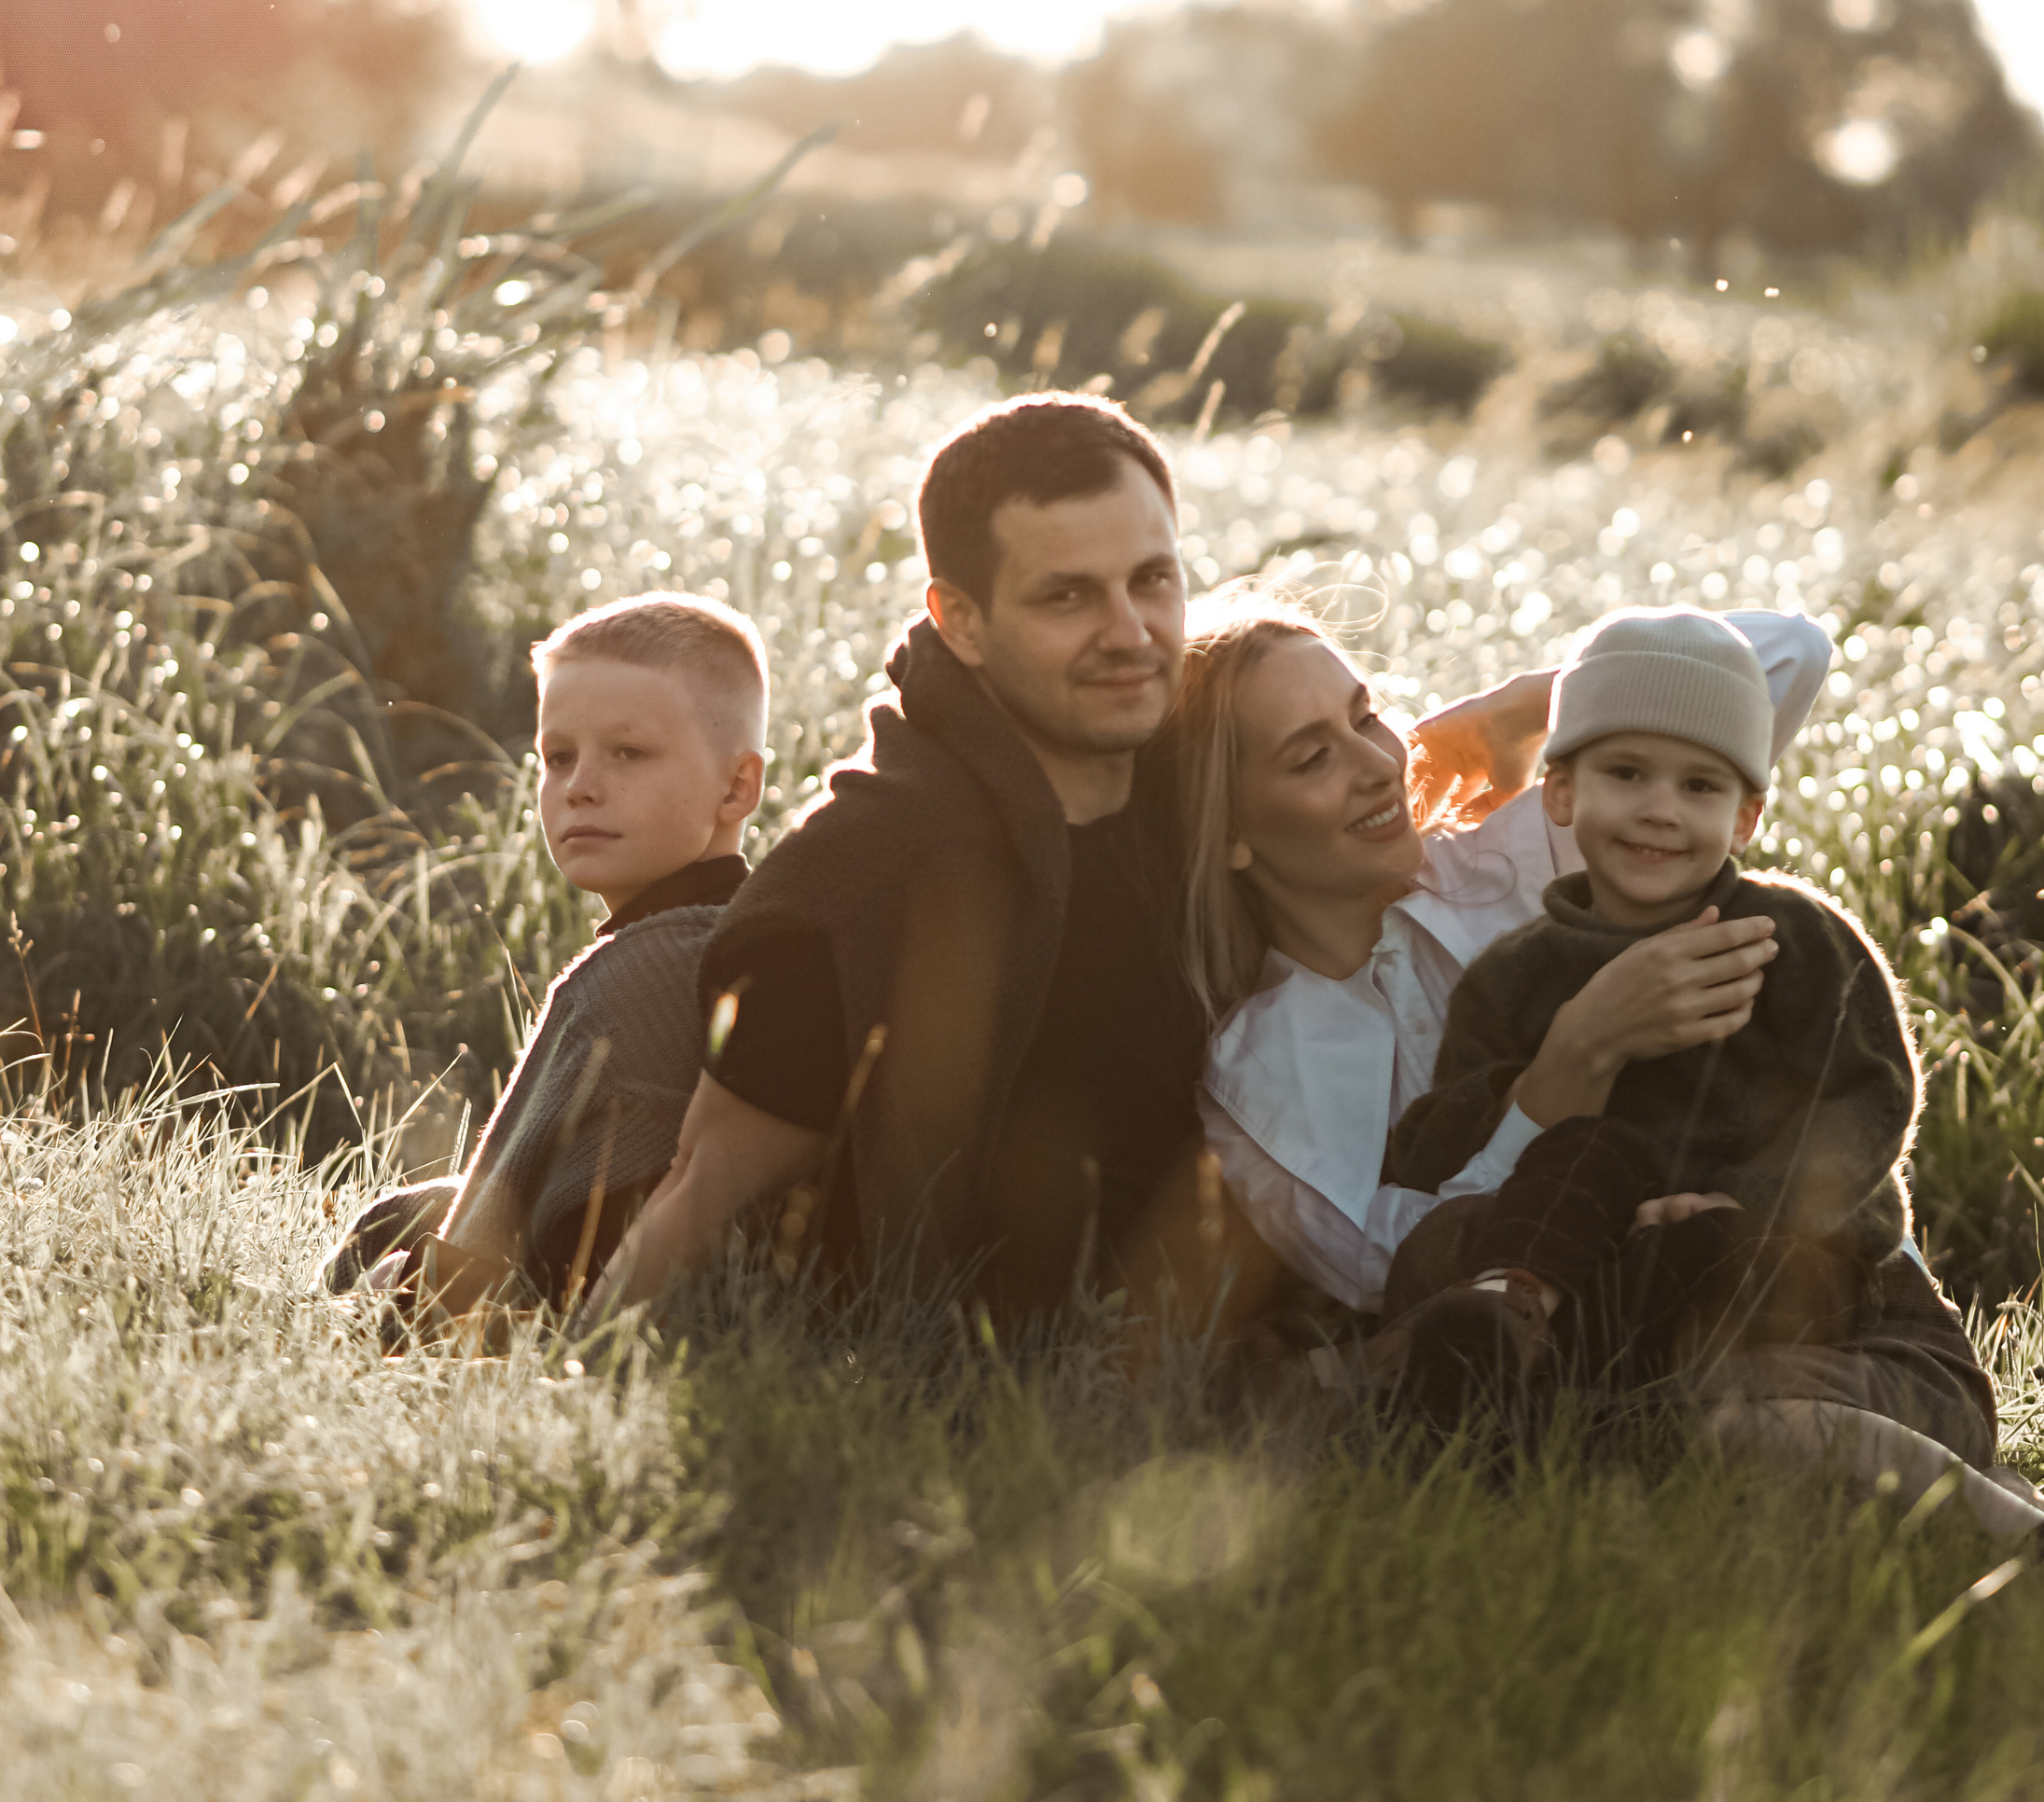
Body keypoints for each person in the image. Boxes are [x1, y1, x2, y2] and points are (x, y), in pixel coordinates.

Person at [586, 392, 1599, 1331]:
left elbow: (1308, 769)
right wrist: (581, 1381)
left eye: (1152, 579)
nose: (1131, 634)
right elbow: (700, 1197)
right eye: (1067, 596)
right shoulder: (867, 877)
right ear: (961, 620)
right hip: (997, 1374)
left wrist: (1499, 714)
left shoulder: (1175, 776)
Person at [1374, 605, 2001, 1479]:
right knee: (1571, 1163)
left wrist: (1740, 1205)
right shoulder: (1514, 975)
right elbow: (1441, 1144)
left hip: (1782, 1257)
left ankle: (1587, 1411)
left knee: (1754, 1358)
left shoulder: (1792, 937)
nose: (1660, 810)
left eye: (1700, 786)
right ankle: (1506, 1328)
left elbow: (1869, 1095)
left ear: (1746, 818)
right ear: (1560, 791)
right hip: (1602, 1268)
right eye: (1627, 772)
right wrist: (1541, 1085)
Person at [1177, 595, 1831, 1318]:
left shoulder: (1513, 858)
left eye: (1366, 717)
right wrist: (1574, 1059)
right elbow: (1383, 1267)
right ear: (1230, 832)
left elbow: (1791, 649)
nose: (1380, 762)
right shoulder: (1259, 1070)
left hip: (1772, 1261)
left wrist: (1518, 710)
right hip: (1585, 1336)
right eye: (1312, 758)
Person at [323, 591, 765, 1317]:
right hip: (637, 1274)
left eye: (629, 752)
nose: (581, 787)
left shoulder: (634, 975)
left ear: (737, 785)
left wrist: (386, 1305)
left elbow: (521, 1257)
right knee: (401, 1214)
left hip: (598, 1309)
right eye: (558, 757)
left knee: (390, 1252)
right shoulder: (731, 930)